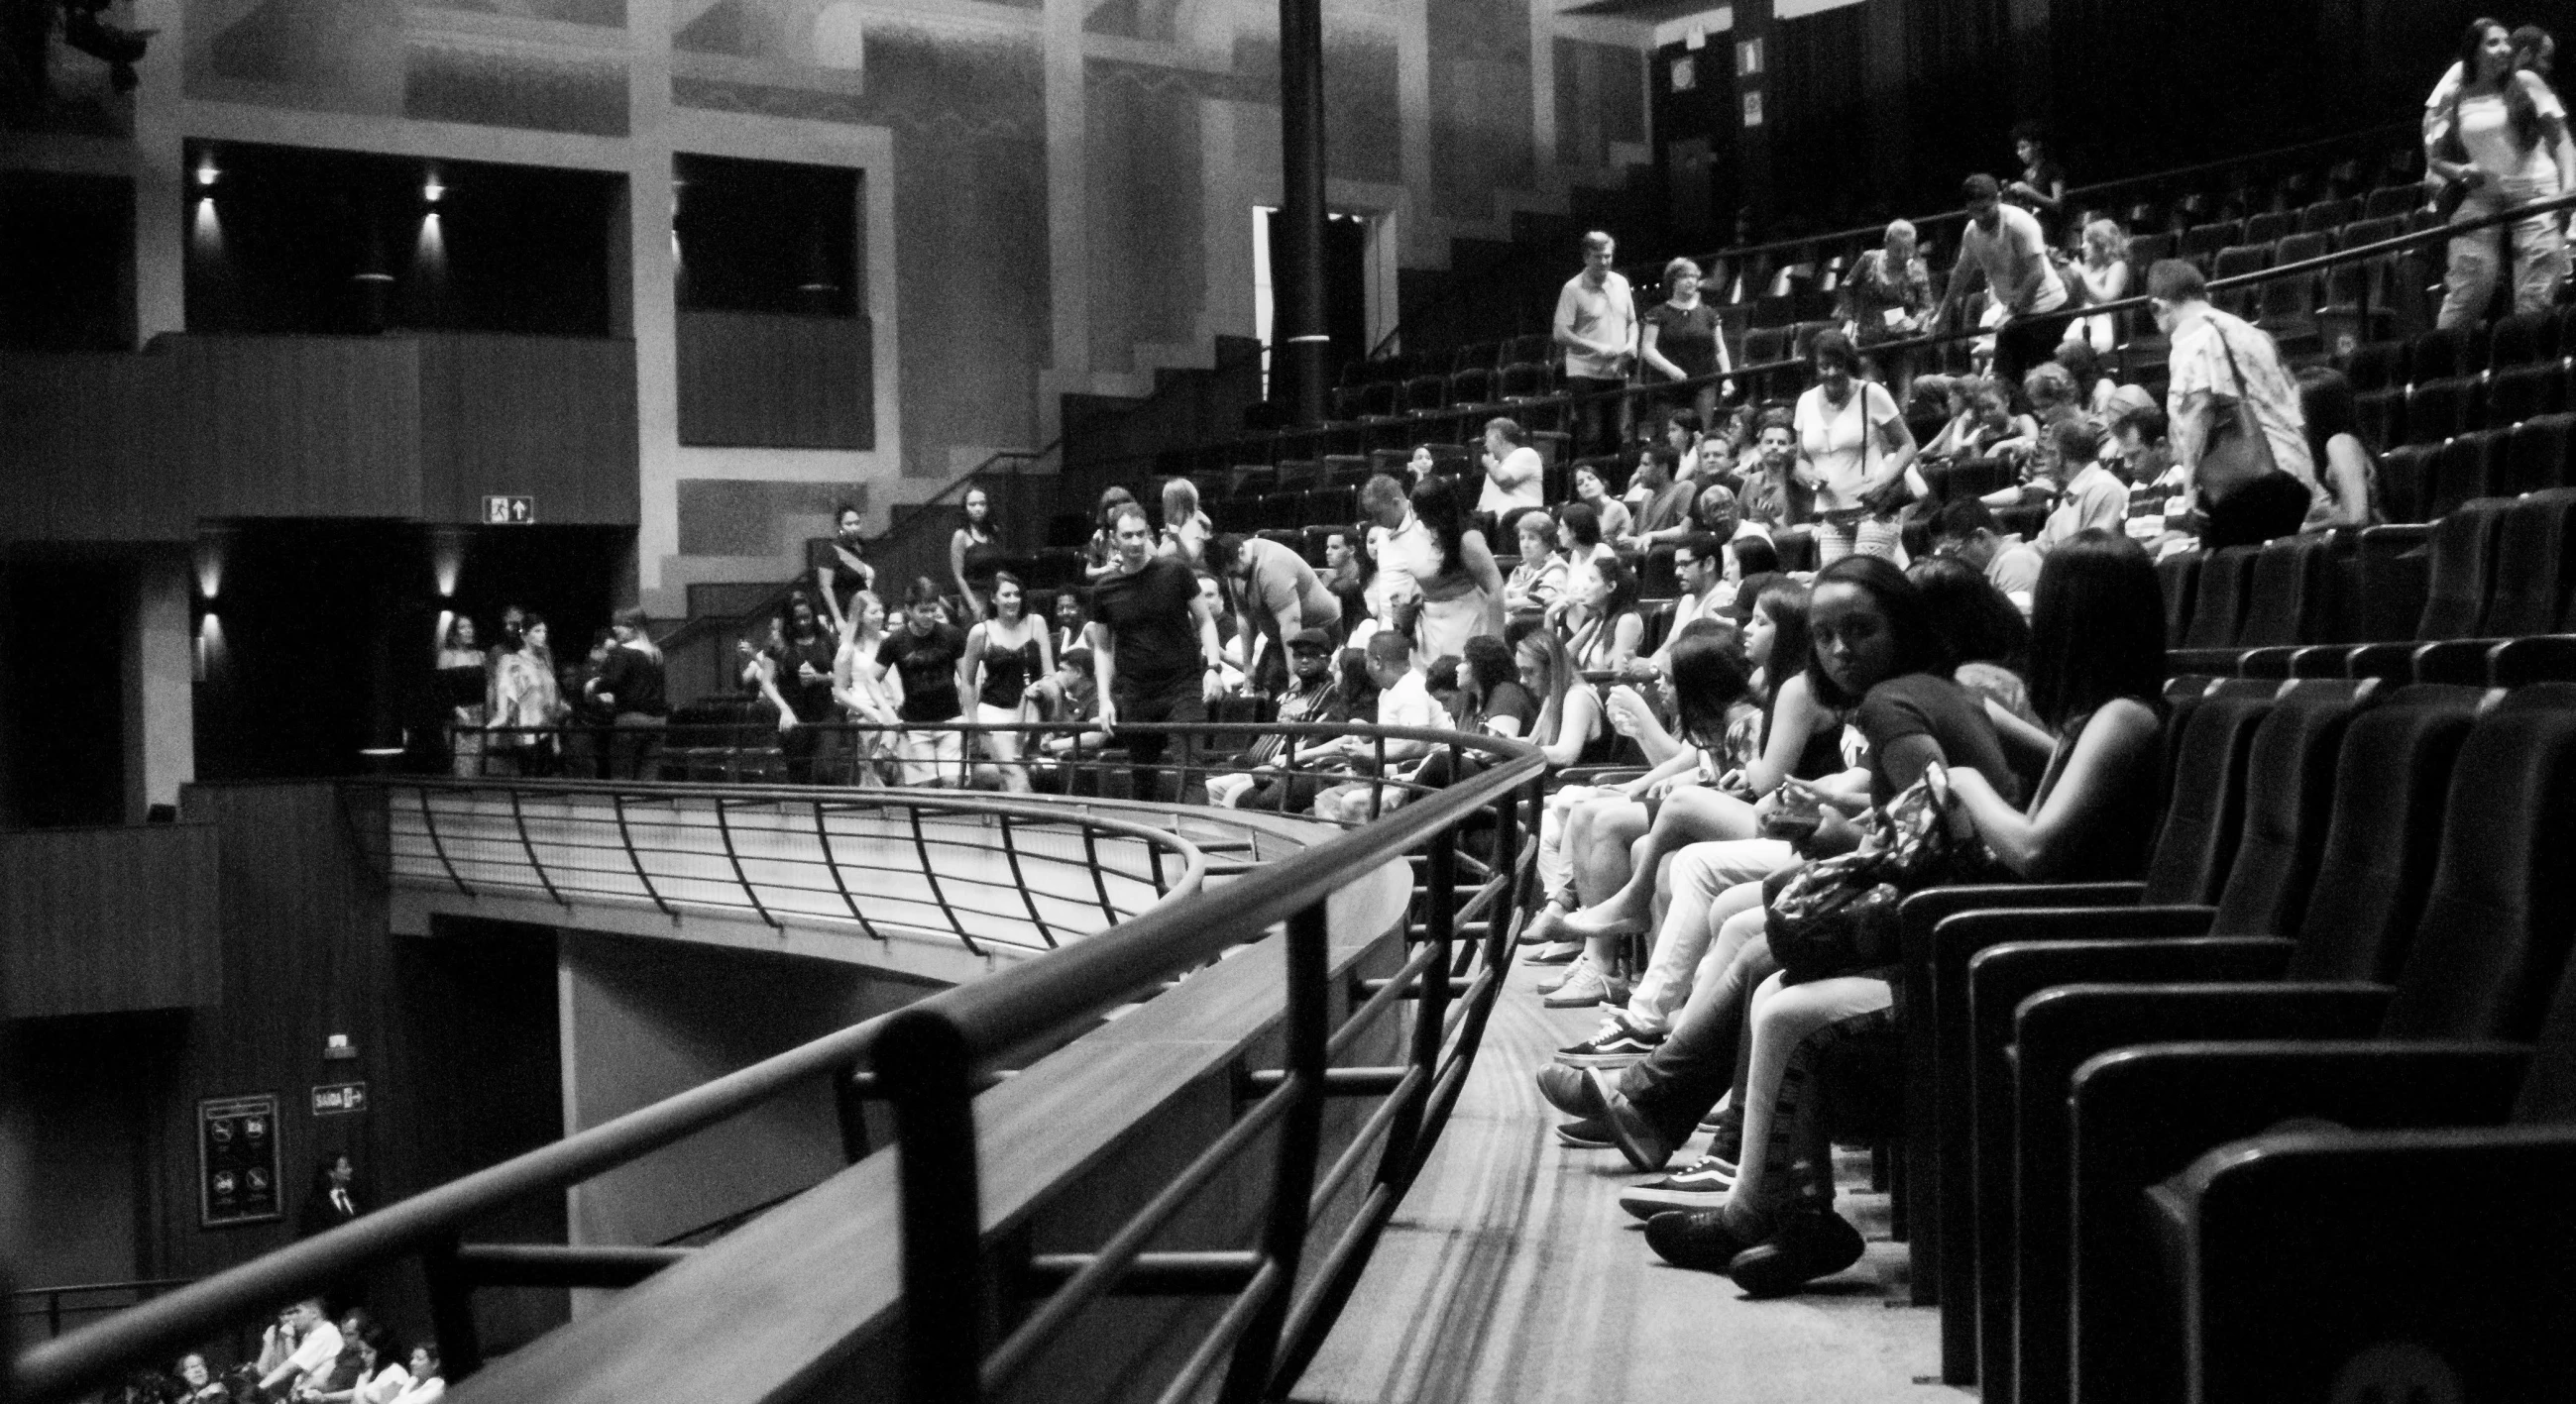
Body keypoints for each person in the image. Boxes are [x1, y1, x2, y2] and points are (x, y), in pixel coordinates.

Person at [1630, 532, 2163, 1294]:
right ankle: (1790, 1211)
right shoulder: (2098, 718)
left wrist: (1968, 787)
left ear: (2077, 616)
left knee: (1786, 1006)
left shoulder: (2123, 717)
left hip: (2039, 958)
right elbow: (2046, 773)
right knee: (1776, 983)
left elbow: (2037, 851)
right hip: (2014, 938)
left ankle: (1758, 1212)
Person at [2149, 259, 2317, 549]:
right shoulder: (2249, 331)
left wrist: (2189, 487)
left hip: (2246, 479)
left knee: (2229, 583)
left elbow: (2199, 407)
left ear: (2158, 306)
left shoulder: (2191, 332)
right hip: (2294, 474)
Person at [2427, 18, 2574, 326]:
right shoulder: (2457, 96)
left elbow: (2561, 140)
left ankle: (2528, 368)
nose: (2505, 49)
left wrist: (2568, 190)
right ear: (2473, 52)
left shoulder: (2527, 83)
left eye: (2506, 41)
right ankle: (2444, 367)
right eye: (2493, 42)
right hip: (2483, 197)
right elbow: (2436, 159)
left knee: (2535, 299)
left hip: (2535, 192)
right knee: (2467, 291)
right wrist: (2460, 170)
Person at [1088, 503, 1227, 805]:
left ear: (1149, 533)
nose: (1136, 542)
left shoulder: (1175, 571)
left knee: (1191, 773)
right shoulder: (1105, 588)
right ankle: (1148, 849)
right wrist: (1104, 699)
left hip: (1183, 686)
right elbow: (1102, 647)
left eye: (1141, 534)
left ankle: (1198, 845)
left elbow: (1205, 620)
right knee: (1142, 778)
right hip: (1137, 693)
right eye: (1128, 535)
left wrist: (1214, 668)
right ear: (1114, 539)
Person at [1936, 172, 2072, 389]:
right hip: (2014, 314)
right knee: (2002, 384)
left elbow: (2036, 274)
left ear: (1998, 199)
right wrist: (1941, 316)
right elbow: (1961, 272)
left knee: (2043, 385)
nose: (1980, 217)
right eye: (1973, 211)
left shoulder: (2019, 223)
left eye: (1985, 210)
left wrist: (2010, 313)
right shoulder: (1972, 231)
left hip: (2047, 312)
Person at [1794, 328, 1918, 563]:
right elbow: (1801, 460)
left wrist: (1883, 482)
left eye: (1838, 365)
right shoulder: (1805, 402)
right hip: (1832, 516)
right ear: (1814, 367)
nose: (1831, 372)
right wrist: (1809, 475)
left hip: (1874, 513)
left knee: (1865, 583)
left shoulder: (1871, 393)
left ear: (1848, 364)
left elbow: (1908, 445)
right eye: (1824, 366)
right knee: (1838, 592)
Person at [1367, 474, 1506, 664]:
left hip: (1465, 620)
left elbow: (1495, 587)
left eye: (1423, 514)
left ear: (1440, 511)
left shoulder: (1469, 539)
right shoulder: (1423, 532)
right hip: (1429, 626)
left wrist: (1494, 643)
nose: (1419, 521)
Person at [1306, 630, 1442, 823]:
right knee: (1323, 801)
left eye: (1366, 659)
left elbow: (1417, 745)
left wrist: (1370, 754)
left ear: (1377, 661)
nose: (1365, 665)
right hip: (1394, 773)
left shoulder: (1411, 689)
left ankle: (1360, 852)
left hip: (1419, 779)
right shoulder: (1389, 690)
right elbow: (1395, 737)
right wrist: (1368, 734)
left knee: (1347, 802)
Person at [1207, 628, 1347, 810]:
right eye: (1298, 655)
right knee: (1207, 789)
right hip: (1254, 767)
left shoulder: (1331, 693)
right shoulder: (1292, 691)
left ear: (1327, 660)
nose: (1303, 660)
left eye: (1311, 655)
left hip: (1284, 771)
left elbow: (1322, 738)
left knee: (1236, 795)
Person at [1206, 532, 1341, 695]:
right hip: (1281, 634)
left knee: (1280, 685)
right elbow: (1244, 617)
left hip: (1319, 630)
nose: (1233, 577)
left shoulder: (1271, 566)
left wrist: (1293, 675)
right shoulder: (1235, 567)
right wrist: (1248, 668)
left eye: (1233, 572)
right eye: (1229, 575)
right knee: (1260, 683)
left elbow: (1290, 623)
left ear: (1241, 552)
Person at [958, 571, 1051, 793]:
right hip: (993, 714)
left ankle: (1002, 824)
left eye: (1017, 594)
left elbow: (1050, 672)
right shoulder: (980, 632)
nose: (1012, 600)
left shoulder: (1036, 623)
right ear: (993, 599)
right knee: (1014, 774)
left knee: (1011, 777)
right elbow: (968, 681)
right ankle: (1028, 825)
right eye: (1006, 595)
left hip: (1029, 713)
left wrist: (1042, 686)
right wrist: (974, 722)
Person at [877, 577, 971, 787]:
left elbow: (967, 678)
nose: (929, 616)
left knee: (953, 782)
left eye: (933, 609)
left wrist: (969, 714)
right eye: (923, 611)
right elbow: (871, 679)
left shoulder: (953, 635)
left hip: (951, 719)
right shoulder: (894, 641)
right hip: (914, 724)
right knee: (924, 789)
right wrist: (885, 709)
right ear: (908, 610)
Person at [1554, 230, 1639, 458]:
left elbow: (1632, 322)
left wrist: (1632, 343)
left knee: (1617, 436)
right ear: (1586, 258)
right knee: (1591, 435)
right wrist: (1596, 347)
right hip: (1585, 372)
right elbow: (1560, 333)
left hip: (1616, 372)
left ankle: (1610, 488)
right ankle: (1586, 486)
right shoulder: (1572, 289)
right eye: (1598, 256)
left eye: (1608, 256)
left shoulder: (1620, 283)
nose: (1604, 261)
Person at [755, 593, 841, 784]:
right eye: (797, 619)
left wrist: (818, 678)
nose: (802, 623)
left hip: (825, 713)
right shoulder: (777, 642)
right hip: (794, 715)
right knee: (799, 775)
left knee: (825, 771)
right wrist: (784, 709)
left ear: (813, 615)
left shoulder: (826, 638)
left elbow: (843, 678)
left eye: (806, 617)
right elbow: (767, 682)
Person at [1842, 220, 1933, 395]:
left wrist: (1914, 322)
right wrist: (1848, 320)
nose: (1904, 255)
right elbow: (1846, 288)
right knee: (1871, 393)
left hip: (1901, 343)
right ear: (1887, 244)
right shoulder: (1869, 260)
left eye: (1909, 249)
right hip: (1869, 342)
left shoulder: (1918, 268)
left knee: (1902, 398)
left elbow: (1927, 306)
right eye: (1898, 249)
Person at [1641, 257, 1732, 432]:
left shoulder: (1709, 314)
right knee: (1671, 436)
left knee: (1700, 433)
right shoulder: (1658, 313)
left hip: (1703, 383)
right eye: (1684, 276)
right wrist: (1670, 369)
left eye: (1694, 276)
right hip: (1668, 387)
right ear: (1673, 281)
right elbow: (1647, 349)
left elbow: (1720, 350)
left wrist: (1727, 378)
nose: (1691, 281)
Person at [584, 607, 667, 781]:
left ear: (632, 628)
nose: (615, 629)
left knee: (622, 775)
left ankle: (622, 806)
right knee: (648, 775)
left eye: (619, 625)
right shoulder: (655, 652)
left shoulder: (622, 652)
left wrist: (594, 684)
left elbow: (613, 681)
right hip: (658, 721)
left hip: (631, 720)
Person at [2298, 367, 2383, 530]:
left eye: (2298, 404)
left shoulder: (2341, 443)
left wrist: (2306, 528)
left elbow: (2357, 517)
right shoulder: (2329, 446)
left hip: (2368, 546)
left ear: (2315, 408)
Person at [831, 590, 900, 783]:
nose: (880, 616)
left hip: (892, 707)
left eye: (881, 611)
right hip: (864, 711)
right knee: (871, 761)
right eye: (873, 612)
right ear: (859, 616)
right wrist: (867, 710)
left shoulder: (889, 640)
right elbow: (839, 691)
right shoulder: (848, 648)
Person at [1930, 495, 2044, 611]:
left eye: (1953, 552)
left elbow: (2020, 627)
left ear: (1980, 537)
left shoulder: (2017, 563)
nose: (1951, 562)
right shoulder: (1992, 570)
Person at [486, 614, 563, 776]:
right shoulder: (512, 661)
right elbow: (503, 689)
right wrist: (501, 714)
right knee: (530, 780)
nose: (543, 635)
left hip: (546, 729)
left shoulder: (543, 661)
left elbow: (550, 694)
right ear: (525, 635)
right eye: (537, 631)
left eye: (544, 631)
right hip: (526, 730)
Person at [2034, 417, 2127, 550]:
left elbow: (2095, 553)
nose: (2045, 463)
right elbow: (2041, 546)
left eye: (2048, 454)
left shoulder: (2104, 489)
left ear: (2059, 456)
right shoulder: (2071, 494)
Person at [1562, 554, 1644, 673]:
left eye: (1592, 580)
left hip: (1605, 689)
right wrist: (1549, 616)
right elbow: (1561, 657)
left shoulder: (1627, 621)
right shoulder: (1599, 619)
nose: (1585, 587)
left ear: (1611, 586)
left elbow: (1619, 675)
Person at [1737, 408, 1814, 532]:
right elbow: (1739, 519)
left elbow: (1794, 524)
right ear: (1759, 448)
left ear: (1791, 448)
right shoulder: (1750, 482)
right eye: (1769, 442)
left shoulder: (1797, 485)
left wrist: (1768, 523)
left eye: (1781, 443)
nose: (1774, 446)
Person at [813, 502, 875, 639]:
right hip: (843, 614)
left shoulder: (864, 547)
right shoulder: (831, 550)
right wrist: (838, 618)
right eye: (849, 524)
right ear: (839, 526)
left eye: (857, 523)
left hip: (864, 613)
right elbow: (825, 587)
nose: (854, 527)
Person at [305, 1323, 407, 1404]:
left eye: (368, 1352)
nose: (363, 1356)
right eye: (362, 1351)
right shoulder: (372, 1370)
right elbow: (357, 1392)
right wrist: (324, 1398)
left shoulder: (395, 1374)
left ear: (383, 1352)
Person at [257, 1299, 342, 1397]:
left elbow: (289, 1368)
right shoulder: (312, 1334)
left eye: (298, 1312)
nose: (294, 1317)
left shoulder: (324, 1334)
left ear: (314, 1313)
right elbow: (265, 1369)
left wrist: (258, 1389)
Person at [436, 616, 487, 778]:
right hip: (458, 715)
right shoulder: (447, 656)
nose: (468, 631)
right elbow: (442, 689)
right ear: (454, 633)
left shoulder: (480, 655)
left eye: (470, 627)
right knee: (461, 763)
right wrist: (457, 710)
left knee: (478, 762)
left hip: (479, 713)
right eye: (463, 627)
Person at [2071, 218, 2130, 353]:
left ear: (2102, 244)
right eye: (2083, 241)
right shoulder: (2087, 267)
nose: (2082, 246)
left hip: (2104, 326)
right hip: (2082, 323)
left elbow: (2107, 300)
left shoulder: (2118, 266)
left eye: (2088, 242)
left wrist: (2081, 275)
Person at [948, 485, 1006, 622]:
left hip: (994, 596)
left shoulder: (993, 531)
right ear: (965, 508)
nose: (978, 508)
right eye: (972, 504)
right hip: (973, 598)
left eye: (982, 504)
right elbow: (958, 576)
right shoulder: (960, 535)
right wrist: (974, 607)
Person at [2003, 120, 2069, 240]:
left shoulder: (2052, 169)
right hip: (2032, 229)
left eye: (2023, 147)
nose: (2019, 153)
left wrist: (2028, 191)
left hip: (2050, 229)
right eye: (2018, 149)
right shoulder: (2026, 174)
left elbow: (2058, 204)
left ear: (2037, 145)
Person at [1475, 416, 1546, 521]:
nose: (1485, 444)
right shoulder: (1493, 468)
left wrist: (1489, 465)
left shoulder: (1526, 454)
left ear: (1499, 437)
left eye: (1487, 438)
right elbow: (1481, 506)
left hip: (1522, 523)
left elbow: (1502, 479)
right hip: (1493, 527)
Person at [1503, 510, 1569, 622]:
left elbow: (1544, 600)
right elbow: (1505, 594)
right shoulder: (1522, 568)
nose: (1525, 544)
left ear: (1547, 542)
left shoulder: (1556, 568)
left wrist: (1505, 605)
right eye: (1522, 538)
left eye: (1532, 538)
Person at [296, 1152, 360, 1238]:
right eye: (345, 1167)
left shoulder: (355, 1196)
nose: (350, 1170)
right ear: (331, 1173)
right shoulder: (316, 1203)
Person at [1083, 486, 1140, 581]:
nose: (1118, 508)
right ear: (1104, 512)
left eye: (1123, 503)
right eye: (1112, 505)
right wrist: (1107, 569)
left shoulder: (1141, 531)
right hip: (1108, 588)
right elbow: (1089, 572)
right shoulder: (1099, 536)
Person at [1158, 477, 1212, 569]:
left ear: (1182, 505)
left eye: (1169, 503)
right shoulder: (1176, 529)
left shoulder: (1193, 525)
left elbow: (1191, 557)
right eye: (1165, 503)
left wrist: (1177, 540)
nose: (1166, 509)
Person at [1570, 463, 1633, 542]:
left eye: (1591, 478)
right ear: (1578, 493)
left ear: (1603, 484)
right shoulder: (1585, 512)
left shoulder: (1615, 507)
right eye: (1580, 483)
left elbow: (1595, 539)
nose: (1586, 483)